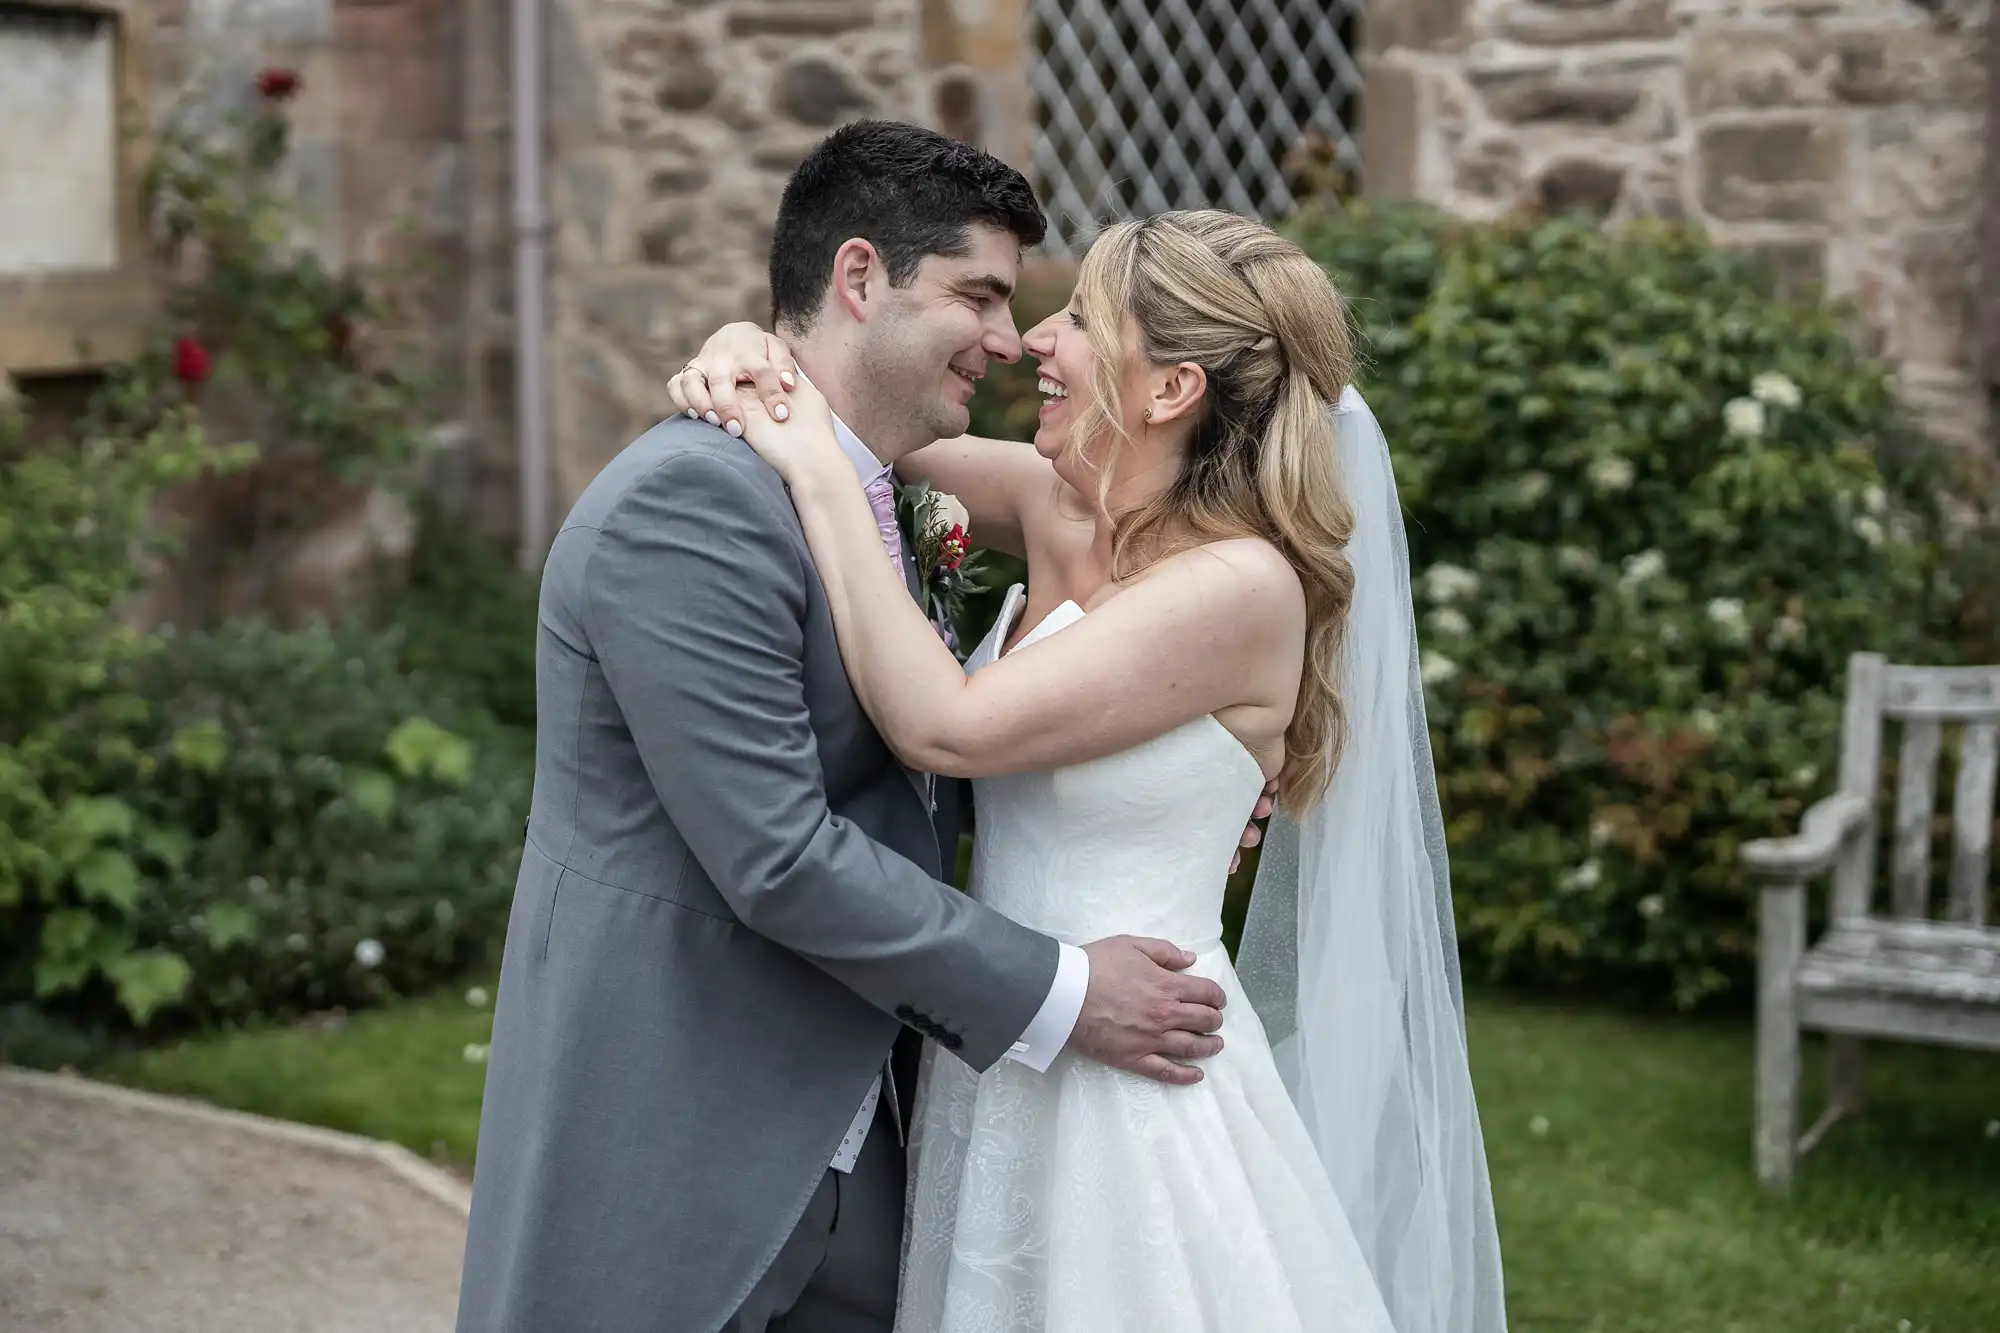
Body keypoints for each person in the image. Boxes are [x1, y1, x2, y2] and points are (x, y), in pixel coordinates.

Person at [453, 123, 1250, 1333]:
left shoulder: (888, 485)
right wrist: (1061, 991)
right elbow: (774, 852)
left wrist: (1162, 782)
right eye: (979, 294)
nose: (1009, 337)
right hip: (683, 1122)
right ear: (861, 276)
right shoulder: (694, 503)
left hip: (859, 1120)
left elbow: (894, 768)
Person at [672, 207, 1507, 1331]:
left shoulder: (1238, 586)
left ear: (1167, 392)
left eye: (1078, 317)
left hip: (1131, 1076)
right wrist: (745, 342)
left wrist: (817, 481)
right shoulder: (1051, 500)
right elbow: (854, 415)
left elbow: (948, 727)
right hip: (1002, 1043)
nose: (1030, 343)